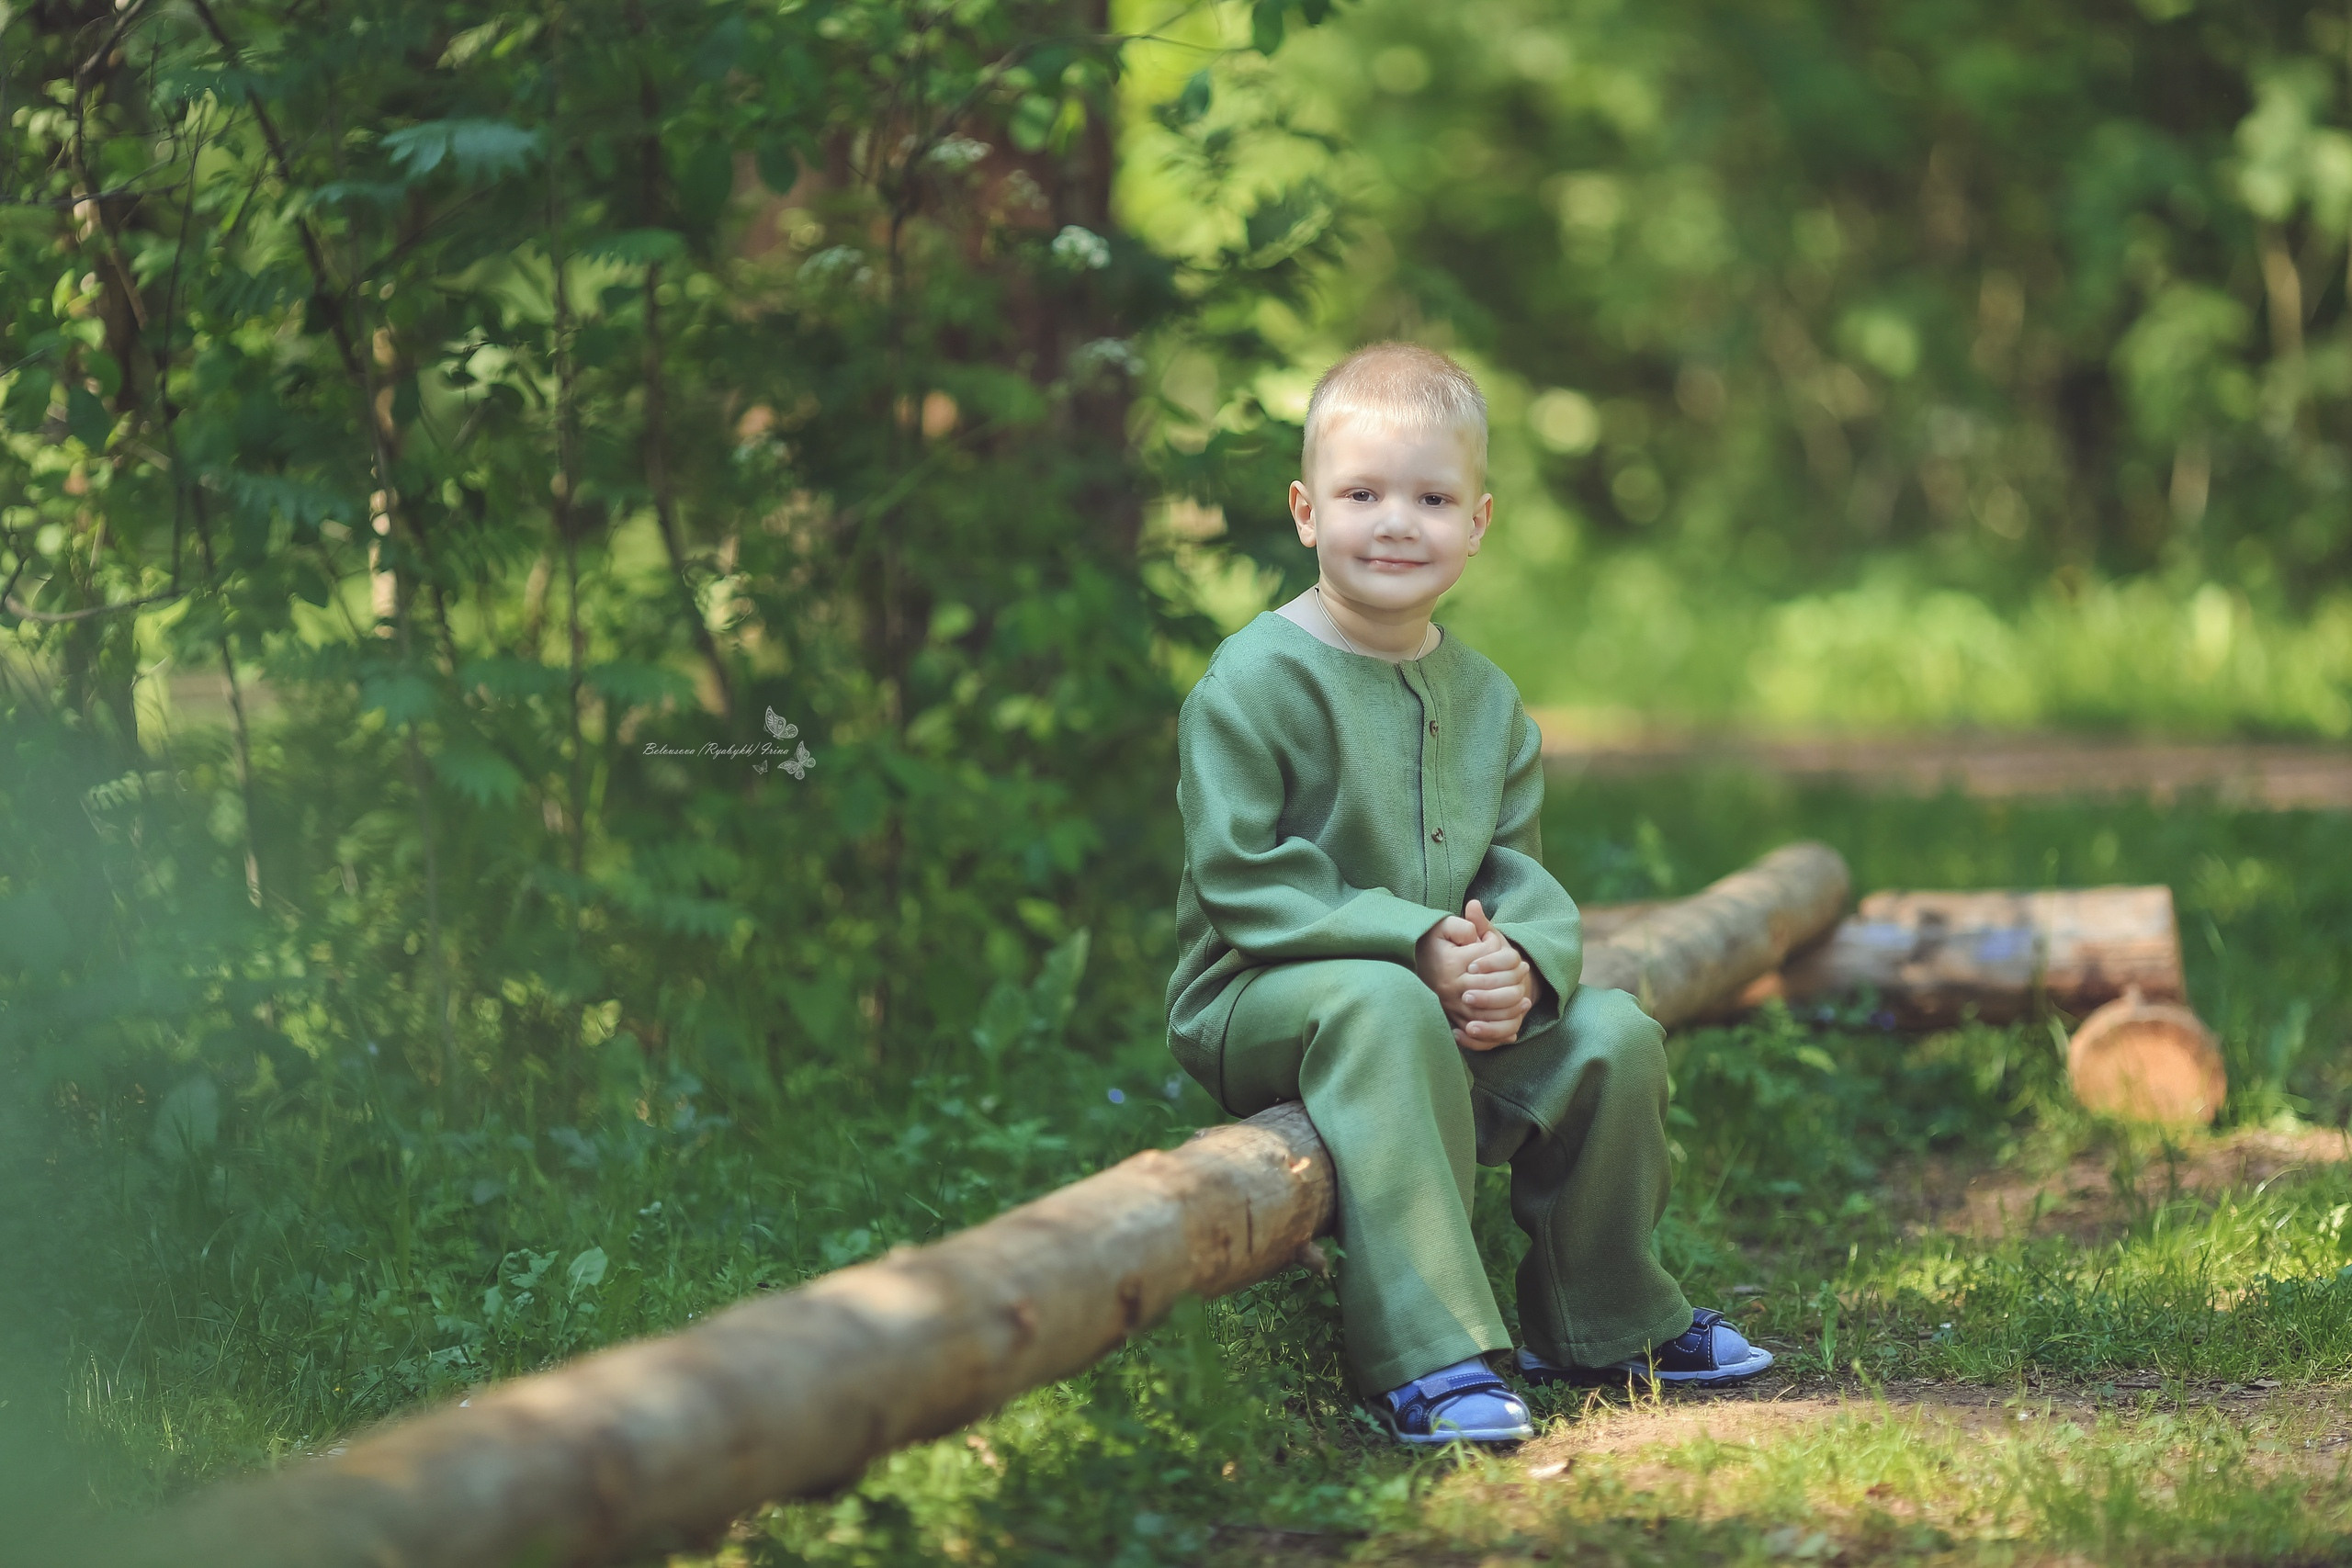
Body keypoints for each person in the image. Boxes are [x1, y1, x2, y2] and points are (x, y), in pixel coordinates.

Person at [1163, 343, 1770, 1447]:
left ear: (1478, 523)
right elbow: (1244, 878)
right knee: (1384, 1005)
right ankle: (1429, 1355)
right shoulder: (1249, 683)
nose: (1396, 523)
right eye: (1362, 495)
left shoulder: (1486, 701)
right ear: (1305, 512)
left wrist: (1516, 965)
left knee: (1611, 1033)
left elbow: (1514, 871)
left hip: (1441, 995)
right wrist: (1414, 945)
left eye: (1431, 498)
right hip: (1263, 1001)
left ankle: (1602, 1319)